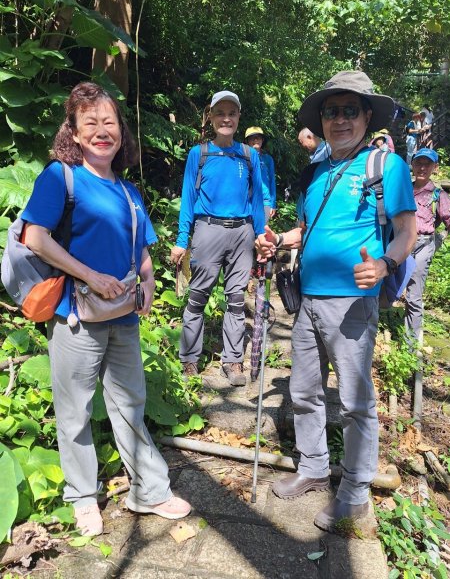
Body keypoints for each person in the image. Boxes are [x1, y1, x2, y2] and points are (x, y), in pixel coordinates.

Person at [21, 82, 191, 536]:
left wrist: (151, 278)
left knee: (130, 402)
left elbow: (142, 248)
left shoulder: (128, 189)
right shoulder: (61, 177)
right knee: (74, 408)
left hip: (123, 314)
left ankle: (149, 491)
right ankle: (81, 497)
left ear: (121, 133)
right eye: (90, 123)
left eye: (109, 123)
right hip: (77, 314)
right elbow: (35, 237)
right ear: (74, 133)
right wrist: (88, 274)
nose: (101, 131)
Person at [256, 71, 416, 532]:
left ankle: (356, 492)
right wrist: (277, 239)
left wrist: (385, 263)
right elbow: (306, 231)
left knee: (355, 400)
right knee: (304, 391)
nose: (340, 119)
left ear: (367, 116)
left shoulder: (386, 167)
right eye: (332, 111)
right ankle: (312, 466)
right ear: (322, 120)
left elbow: (407, 229)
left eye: (350, 110)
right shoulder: (317, 171)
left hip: (353, 301)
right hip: (307, 299)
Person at [170, 91, 265, 386]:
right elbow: (188, 198)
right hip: (207, 229)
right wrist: (181, 240)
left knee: (237, 300)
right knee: (197, 297)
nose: (226, 118)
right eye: (220, 113)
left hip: (242, 232)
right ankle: (189, 360)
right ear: (210, 117)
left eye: (232, 113)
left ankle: (233, 360)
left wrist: (260, 235)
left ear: (238, 118)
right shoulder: (199, 154)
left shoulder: (249, 156)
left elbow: (258, 200)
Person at [405, 148, 450, 343]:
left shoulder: (438, 195)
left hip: (423, 244)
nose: (422, 168)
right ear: (412, 165)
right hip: (401, 243)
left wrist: (440, 239)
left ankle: (412, 344)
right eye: (418, 163)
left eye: (427, 164)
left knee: (414, 295)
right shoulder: (403, 188)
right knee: (387, 287)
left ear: (435, 167)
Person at [244, 126, 276, 221]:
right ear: (247, 141)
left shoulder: (268, 159)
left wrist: (273, 204)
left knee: (262, 232)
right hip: (246, 201)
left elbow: (272, 181)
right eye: (252, 138)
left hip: (265, 201)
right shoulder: (242, 158)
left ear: (262, 140)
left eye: (258, 137)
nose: (255, 140)